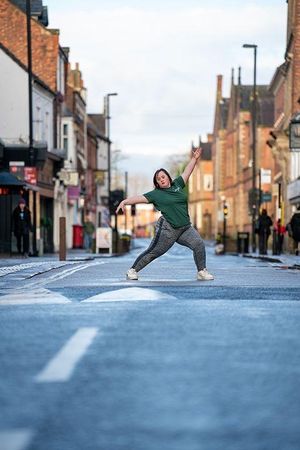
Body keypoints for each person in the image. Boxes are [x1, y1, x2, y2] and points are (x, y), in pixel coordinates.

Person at [116, 148, 214, 281]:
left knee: (198, 244)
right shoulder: (156, 194)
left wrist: (194, 159)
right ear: (157, 183)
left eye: (163, 176)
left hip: (185, 227)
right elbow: (140, 197)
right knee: (155, 251)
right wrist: (125, 201)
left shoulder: (178, 185)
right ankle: (132, 270)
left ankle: (201, 271)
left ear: (168, 177)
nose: (161, 179)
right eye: (158, 179)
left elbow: (187, 171)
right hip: (168, 228)